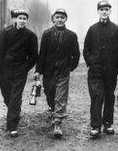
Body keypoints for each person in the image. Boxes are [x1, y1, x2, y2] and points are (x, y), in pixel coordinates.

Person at [83, 0, 118, 138]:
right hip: (95, 71)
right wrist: (91, 62)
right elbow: (86, 49)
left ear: (110, 11)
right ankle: (95, 126)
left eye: (106, 9)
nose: (104, 11)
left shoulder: (117, 29)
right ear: (98, 11)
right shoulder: (92, 29)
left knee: (109, 96)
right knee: (96, 96)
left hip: (111, 70)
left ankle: (108, 123)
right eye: (101, 9)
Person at [34, 8, 80, 138]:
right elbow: (42, 54)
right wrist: (38, 70)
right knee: (49, 93)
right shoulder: (47, 34)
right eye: (57, 17)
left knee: (60, 96)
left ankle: (57, 124)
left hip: (63, 71)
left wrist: (69, 67)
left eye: (62, 17)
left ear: (66, 19)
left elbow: (76, 55)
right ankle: (53, 109)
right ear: (53, 18)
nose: (60, 19)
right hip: (48, 71)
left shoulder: (71, 35)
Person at [0, 9, 38, 137]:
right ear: (15, 19)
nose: (22, 21)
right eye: (20, 18)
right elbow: (0, 52)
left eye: (24, 19)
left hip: (20, 70)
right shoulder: (6, 32)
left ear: (27, 20)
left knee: (15, 96)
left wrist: (25, 68)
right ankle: (14, 112)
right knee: (7, 95)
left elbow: (34, 56)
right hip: (5, 69)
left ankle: (12, 126)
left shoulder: (31, 36)